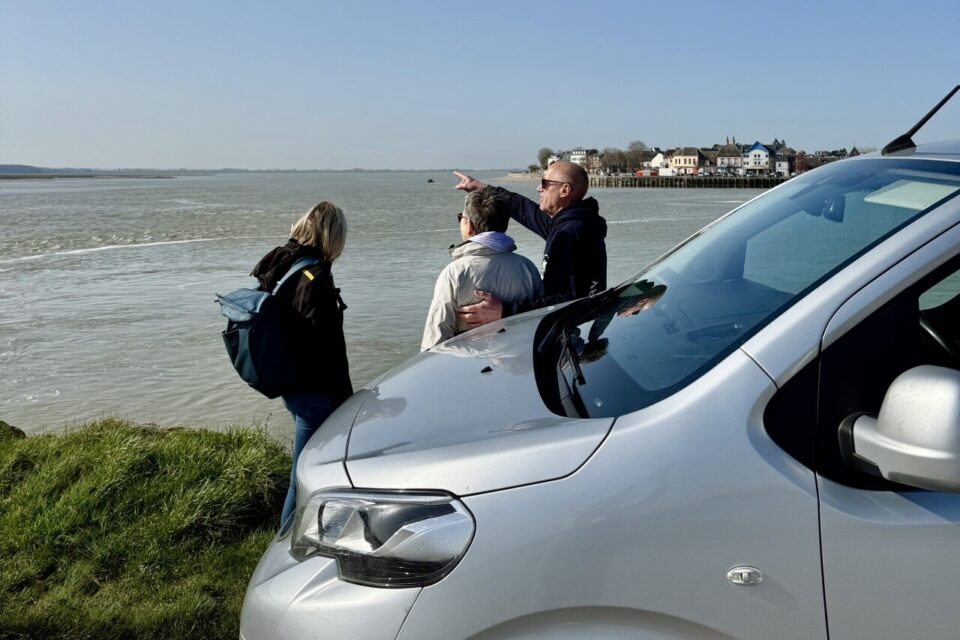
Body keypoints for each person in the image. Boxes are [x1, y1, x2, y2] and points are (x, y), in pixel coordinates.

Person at [250, 202, 352, 530]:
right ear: (332, 236)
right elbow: (326, 348)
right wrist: (345, 398)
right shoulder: (316, 276)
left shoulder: (281, 261)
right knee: (304, 476)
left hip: (290, 384)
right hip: (314, 392)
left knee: (309, 468)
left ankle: (315, 531)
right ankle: (286, 543)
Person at [453, 160, 607, 327]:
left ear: (564, 190)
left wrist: (505, 311)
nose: (539, 188)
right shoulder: (569, 224)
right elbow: (522, 208)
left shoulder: (572, 233)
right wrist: (481, 187)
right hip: (577, 325)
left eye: (545, 184)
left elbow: (569, 300)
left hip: (574, 330)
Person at [421, 186, 542, 350]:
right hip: (520, 357)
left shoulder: (455, 272)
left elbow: (435, 340)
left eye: (461, 218)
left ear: (469, 226)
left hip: (470, 363)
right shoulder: (527, 267)